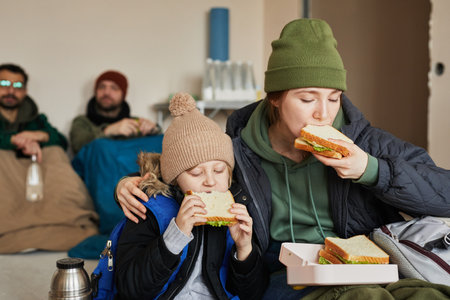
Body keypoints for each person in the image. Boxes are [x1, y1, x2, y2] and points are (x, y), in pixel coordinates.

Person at [115, 19, 450, 299]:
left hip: (364, 266)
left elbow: (444, 194)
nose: (324, 114)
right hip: (285, 276)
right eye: (307, 98)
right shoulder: (238, 152)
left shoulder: (362, 141)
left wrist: (371, 170)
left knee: (428, 295)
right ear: (274, 98)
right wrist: (135, 182)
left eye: (334, 99)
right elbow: (190, 162)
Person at [115, 92, 267, 299]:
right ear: (174, 179)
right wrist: (175, 235)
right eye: (196, 172)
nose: (210, 181)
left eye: (219, 170)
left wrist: (245, 250)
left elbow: (253, 294)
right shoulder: (148, 208)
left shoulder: (240, 206)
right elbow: (130, 288)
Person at [0, 63, 98, 253]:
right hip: (7, 176)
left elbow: (59, 140)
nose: (11, 90)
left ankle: (56, 223)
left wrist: (37, 136)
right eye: (4, 83)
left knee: (54, 151)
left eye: (18, 86)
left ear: (25, 91)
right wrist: (16, 140)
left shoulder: (36, 118)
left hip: (35, 176)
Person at [69, 70, 161, 154]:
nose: (106, 92)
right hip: (97, 170)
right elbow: (78, 146)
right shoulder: (82, 122)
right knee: (100, 146)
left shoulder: (134, 123)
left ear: (123, 94)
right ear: (95, 92)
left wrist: (154, 130)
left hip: (132, 170)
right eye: (102, 87)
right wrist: (107, 131)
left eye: (114, 88)